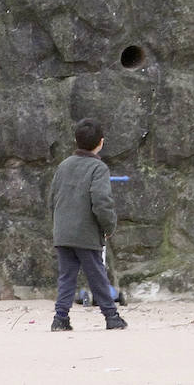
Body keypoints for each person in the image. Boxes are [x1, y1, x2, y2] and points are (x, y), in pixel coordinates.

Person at [49, 117, 127, 331]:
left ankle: (60, 318)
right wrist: (108, 227)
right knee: (97, 275)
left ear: (76, 140)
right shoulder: (98, 168)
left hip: (63, 232)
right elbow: (101, 201)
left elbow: (52, 197)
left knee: (66, 277)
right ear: (101, 142)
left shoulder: (63, 165)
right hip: (86, 233)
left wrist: (58, 225)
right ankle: (111, 317)